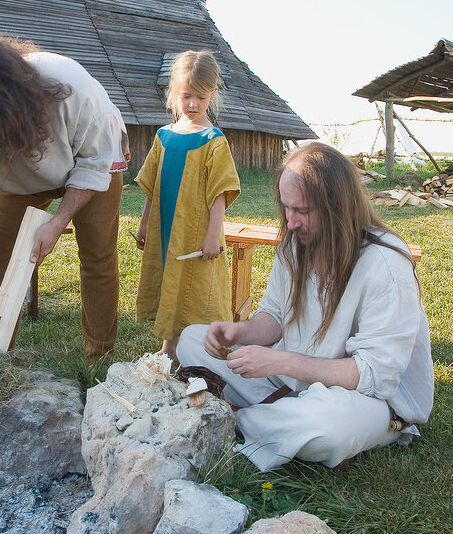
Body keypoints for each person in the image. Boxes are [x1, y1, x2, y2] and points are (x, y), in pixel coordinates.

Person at [177, 142, 434, 471]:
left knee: (327, 428)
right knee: (191, 340)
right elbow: (275, 316)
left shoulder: (385, 266)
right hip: (293, 382)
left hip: (367, 400)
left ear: (337, 208)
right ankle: (273, 421)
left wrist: (279, 361)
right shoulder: (296, 243)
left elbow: (373, 375)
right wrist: (239, 331)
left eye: (302, 211)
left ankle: (238, 419)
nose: (291, 221)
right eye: (286, 208)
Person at [0, 27, 128, 363]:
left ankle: (99, 358)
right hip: (18, 179)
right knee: (0, 256)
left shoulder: (71, 88)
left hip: (91, 167)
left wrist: (59, 221)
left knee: (97, 257)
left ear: (4, 101)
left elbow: (94, 164)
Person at [135, 50, 240, 360]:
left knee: (194, 287)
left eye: (201, 97)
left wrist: (212, 236)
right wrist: (143, 223)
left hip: (196, 233)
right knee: (169, 276)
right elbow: (151, 187)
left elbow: (220, 193)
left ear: (213, 95)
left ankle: (201, 348)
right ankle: (169, 346)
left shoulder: (213, 140)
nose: (193, 104)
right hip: (165, 226)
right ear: (173, 94)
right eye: (186, 96)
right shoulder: (163, 137)